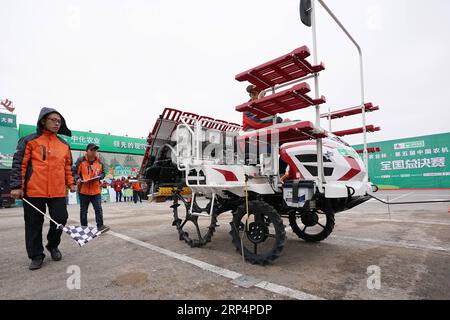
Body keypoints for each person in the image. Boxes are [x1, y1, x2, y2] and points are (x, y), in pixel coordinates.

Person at [10, 107, 77, 270]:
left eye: (59, 121)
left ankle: (52, 245)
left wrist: (71, 183)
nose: (56, 123)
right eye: (53, 120)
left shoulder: (63, 144)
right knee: (33, 223)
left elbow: (68, 166)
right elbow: (19, 164)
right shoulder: (29, 140)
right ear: (43, 121)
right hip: (34, 191)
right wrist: (17, 186)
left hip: (58, 191)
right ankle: (36, 255)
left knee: (60, 219)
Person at [73, 143, 110, 233]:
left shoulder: (99, 162)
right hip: (83, 190)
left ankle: (100, 226)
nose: (94, 152)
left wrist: (101, 176)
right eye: (92, 150)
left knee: (98, 209)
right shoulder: (80, 161)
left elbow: (103, 173)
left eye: (95, 150)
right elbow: (74, 172)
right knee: (83, 211)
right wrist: (77, 178)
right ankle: (84, 228)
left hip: (96, 190)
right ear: (87, 151)